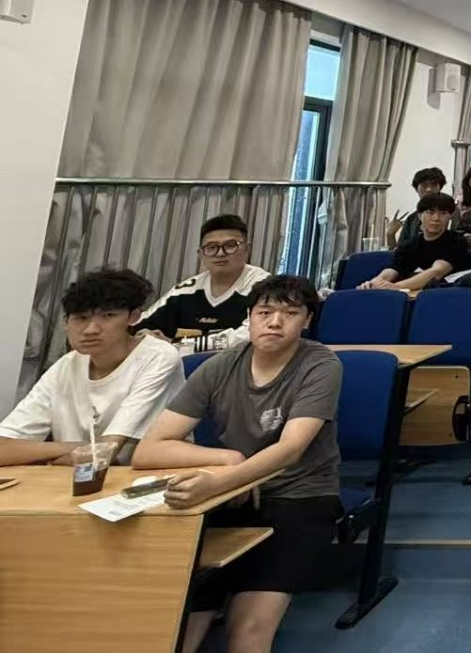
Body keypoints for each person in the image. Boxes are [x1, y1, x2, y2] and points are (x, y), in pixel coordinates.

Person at [134, 275, 342, 653]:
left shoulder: (321, 364)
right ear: (249, 317)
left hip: (299, 496)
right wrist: (227, 459)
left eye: (289, 314)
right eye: (265, 312)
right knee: (174, 625)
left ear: (307, 320)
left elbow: (290, 449)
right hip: (232, 496)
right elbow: (149, 450)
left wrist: (220, 482)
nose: (274, 322)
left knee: (245, 633)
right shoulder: (220, 366)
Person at [0, 268, 184, 467]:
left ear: (134, 317)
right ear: (65, 322)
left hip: (141, 478)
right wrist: (76, 449)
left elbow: (106, 452)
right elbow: (3, 448)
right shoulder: (65, 366)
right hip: (66, 479)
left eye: (108, 315)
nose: (91, 330)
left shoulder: (158, 357)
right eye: (81, 318)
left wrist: (41, 455)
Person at [137, 214, 272, 349]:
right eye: (211, 248)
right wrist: (146, 336)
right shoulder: (184, 291)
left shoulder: (266, 287)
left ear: (247, 249)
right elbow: (138, 326)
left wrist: (180, 345)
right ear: (200, 254)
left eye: (230, 246)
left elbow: (249, 336)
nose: (220, 253)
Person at [362, 192, 471, 290]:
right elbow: (394, 269)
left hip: (445, 296)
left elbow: (437, 272)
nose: (436, 218)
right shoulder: (409, 245)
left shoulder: (456, 241)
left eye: (443, 213)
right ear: (420, 216)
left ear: (450, 217)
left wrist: (396, 286)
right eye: (430, 213)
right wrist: (374, 283)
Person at [390, 166, 447, 246]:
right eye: (424, 185)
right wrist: (390, 235)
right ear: (416, 189)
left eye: (433, 185)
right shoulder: (412, 219)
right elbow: (401, 250)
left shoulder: (449, 212)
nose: (429, 189)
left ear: (440, 187)